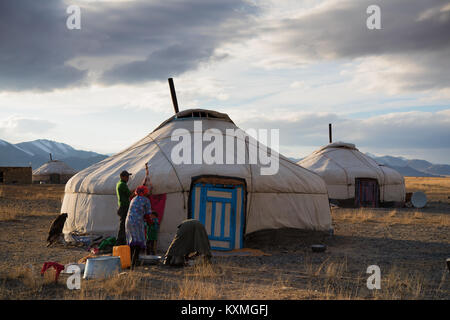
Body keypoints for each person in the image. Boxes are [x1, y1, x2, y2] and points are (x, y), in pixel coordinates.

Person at [125, 185, 152, 269]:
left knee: (132, 241)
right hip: (137, 222)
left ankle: (129, 262)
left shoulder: (133, 199)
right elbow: (147, 215)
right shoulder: (145, 200)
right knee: (138, 242)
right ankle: (134, 263)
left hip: (128, 222)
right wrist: (150, 223)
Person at [116, 170, 132, 245]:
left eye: (128, 176)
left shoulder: (119, 183)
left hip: (121, 206)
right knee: (123, 225)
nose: (128, 178)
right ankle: (120, 241)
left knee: (123, 224)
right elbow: (129, 194)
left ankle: (121, 241)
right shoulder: (122, 185)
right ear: (122, 177)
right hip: (124, 207)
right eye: (126, 176)